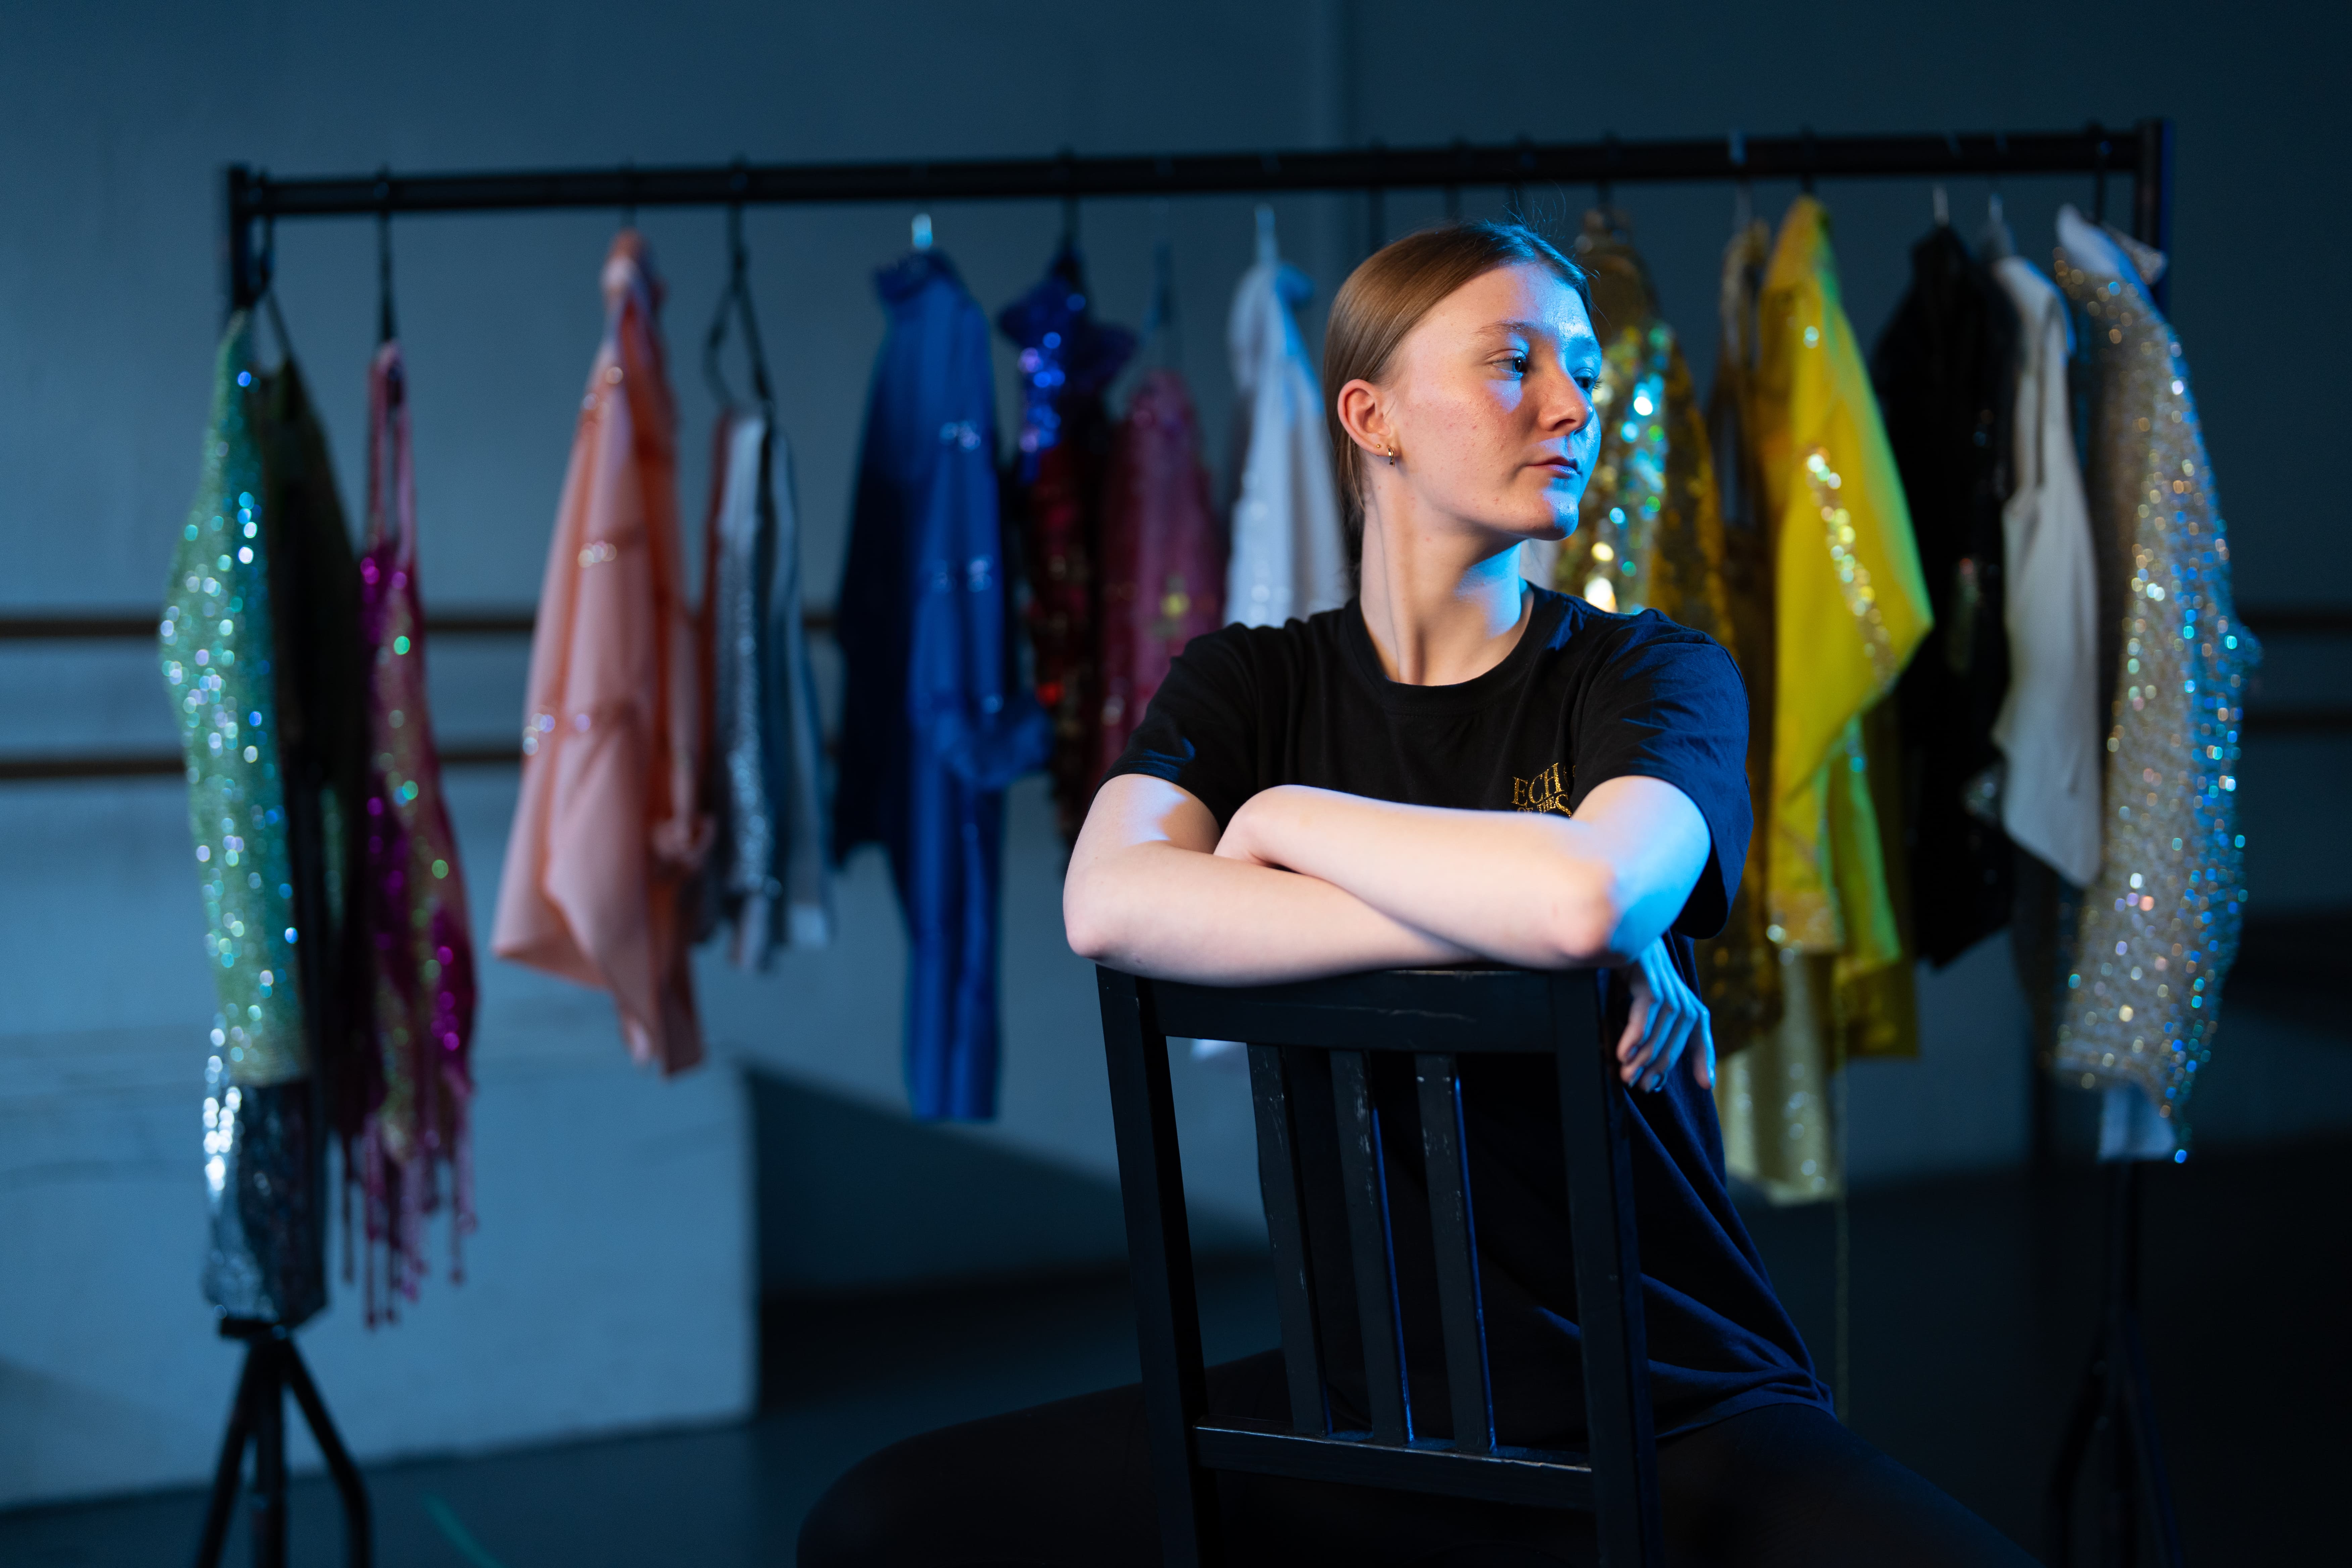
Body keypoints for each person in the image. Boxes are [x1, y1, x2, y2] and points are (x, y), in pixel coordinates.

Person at [799, 222, 2034, 1568]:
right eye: (1514, 364)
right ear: (1370, 415)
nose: (1572, 404)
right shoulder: (1247, 684)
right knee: (877, 1524)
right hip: (1358, 1407)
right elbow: (1106, 901)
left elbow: (1581, 904)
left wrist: (1279, 827)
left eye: (1578, 369)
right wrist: (1519, 927)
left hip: (1666, 1402)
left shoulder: (1654, 676)